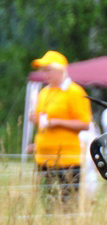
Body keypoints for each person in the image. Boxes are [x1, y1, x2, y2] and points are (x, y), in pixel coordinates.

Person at [29, 50, 91, 205]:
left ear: (61, 70)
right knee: (48, 204)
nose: (44, 74)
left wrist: (57, 122)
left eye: (47, 70)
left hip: (67, 159)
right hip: (43, 158)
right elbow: (43, 121)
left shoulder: (74, 92)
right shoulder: (44, 92)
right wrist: (35, 120)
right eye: (43, 70)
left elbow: (85, 124)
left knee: (67, 204)